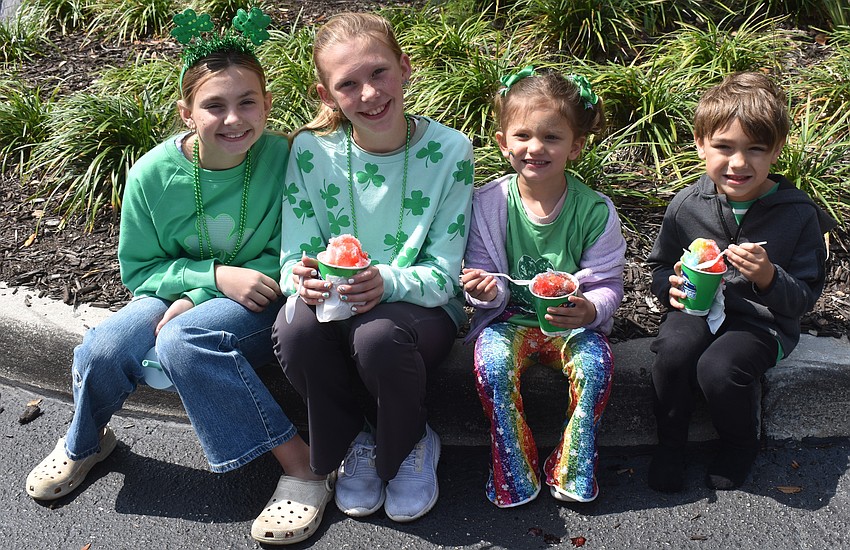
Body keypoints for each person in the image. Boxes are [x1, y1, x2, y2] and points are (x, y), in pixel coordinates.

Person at [24, 9, 328, 546]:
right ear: (187, 112)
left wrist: (209, 292)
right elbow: (139, 269)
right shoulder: (152, 174)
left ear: (268, 104)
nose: (233, 119)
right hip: (178, 286)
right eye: (214, 105)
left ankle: (305, 468)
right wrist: (207, 280)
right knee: (102, 347)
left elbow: (301, 242)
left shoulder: (285, 157)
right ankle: (86, 441)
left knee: (186, 342)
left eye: (247, 102)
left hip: (264, 290)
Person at [271, 12, 474, 523]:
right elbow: (293, 256)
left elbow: (444, 274)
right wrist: (304, 279)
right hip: (340, 303)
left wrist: (388, 282)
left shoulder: (449, 151)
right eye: (348, 84)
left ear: (405, 68)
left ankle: (406, 441)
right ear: (326, 94)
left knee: (375, 336)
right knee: (294, 328)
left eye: (379, 72)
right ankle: (357, 437)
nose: (369, 93)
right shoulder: (312, 153)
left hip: (419, 307)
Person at [646, 71, 837, 493]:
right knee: (674, 352)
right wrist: (669, 286)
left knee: (719, 368)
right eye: (723, 147)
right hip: (697, 309)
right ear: (700, 145)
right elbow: (659, 267)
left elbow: (803, 299)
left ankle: (739, 443)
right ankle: (670, 445)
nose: (738, 163)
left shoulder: (797, 213)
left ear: (777, 151)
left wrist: (769, 276)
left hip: (762, 322)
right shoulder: (687, 204)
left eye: (755, 149)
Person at [461, 67, 626, 507]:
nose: (536, 148)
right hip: (508, 321)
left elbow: (609, 282)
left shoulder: (594, 211)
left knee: (596, 366)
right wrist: (482, 290)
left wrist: (590, 310)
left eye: (552, 138)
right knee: (491, 365)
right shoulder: (488, 204)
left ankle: (571, 465)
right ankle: (513, 466)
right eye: (523, 136)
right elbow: (485, 280)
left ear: (575, 146)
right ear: (503, 143)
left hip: (569, 325)